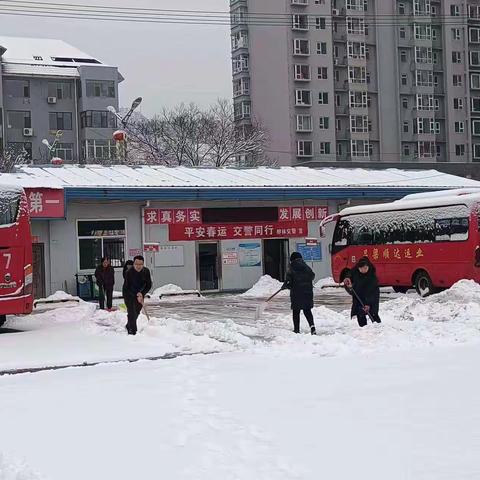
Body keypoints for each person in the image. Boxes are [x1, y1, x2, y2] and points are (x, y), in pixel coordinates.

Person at [282, 252, 316, 335]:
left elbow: (289, 282)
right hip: (307, 293)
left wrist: (285, 286)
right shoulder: (306, 267)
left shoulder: (291, 268)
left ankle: (296, 330)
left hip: (296, 294)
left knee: (296, 311)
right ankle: (312, 327)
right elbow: (312, 276)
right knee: (307, 311)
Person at [344, 256, 382, 327]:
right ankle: (363, 329)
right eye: (361, 269)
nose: (363, 270)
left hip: (371, 297)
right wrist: (348, 282)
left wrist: (368, 303)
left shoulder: (372, 277)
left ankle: (379, 329)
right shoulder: (355, 271)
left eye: (365, 268)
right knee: (360, 313)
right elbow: (349, 277)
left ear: (368, 266)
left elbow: (373, 292)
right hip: (359, 296)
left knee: (373, 314)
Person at [123, 255, 152, 335]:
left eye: (140, 264)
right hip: (128, 293)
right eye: (136, 264)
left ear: (143, 264)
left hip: (140, 293)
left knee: (137, 311)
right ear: (134, 264)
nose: (138, 266)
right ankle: (133, 331)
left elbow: (149, 284)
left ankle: (129, 325)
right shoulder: (129, 272)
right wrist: (136, 294)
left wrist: (142, 293)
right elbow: (127, 286)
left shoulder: (146, 271)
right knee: (131, 311)